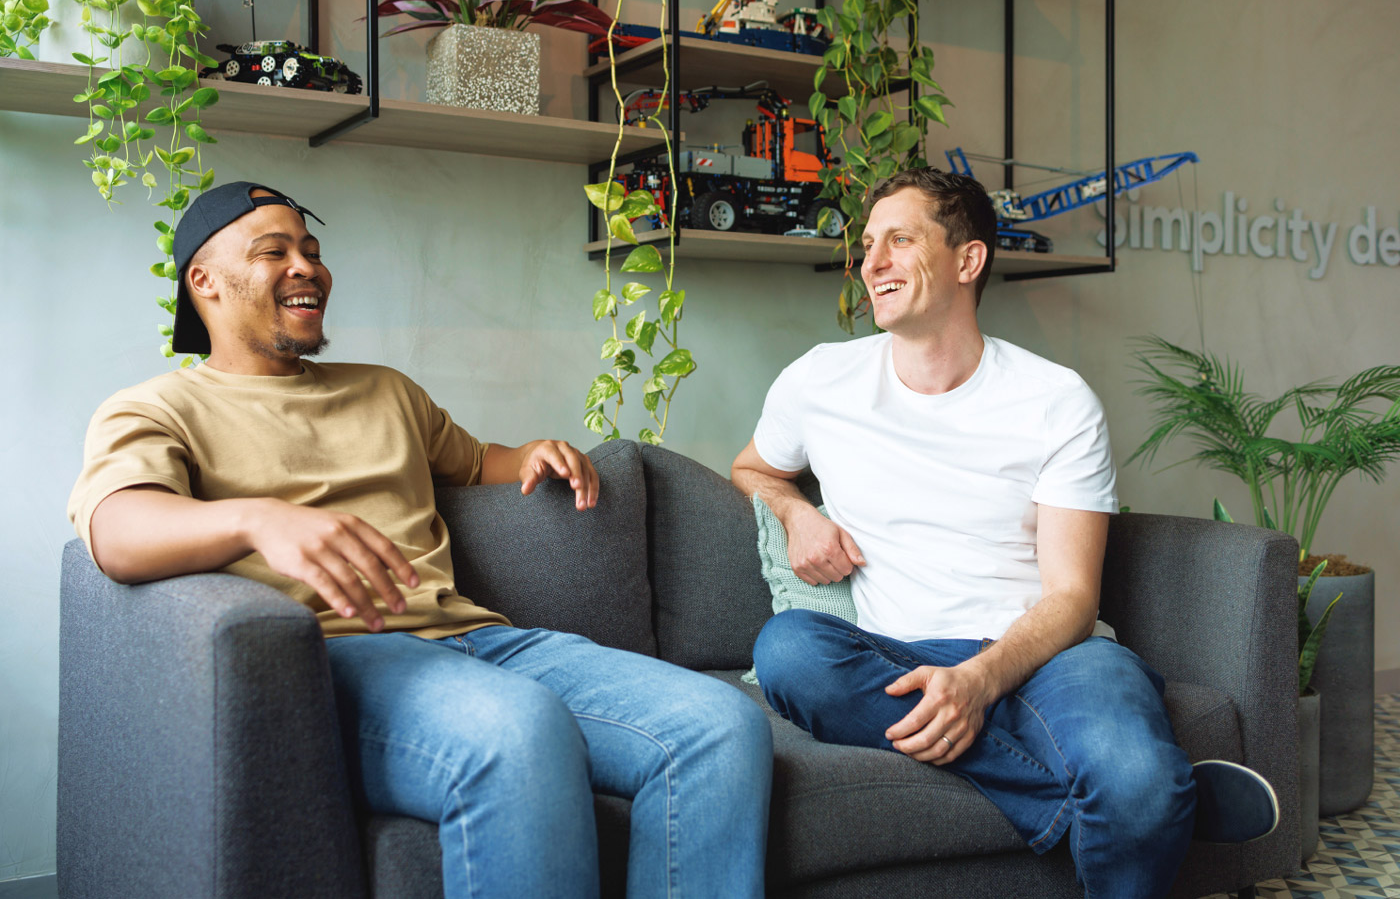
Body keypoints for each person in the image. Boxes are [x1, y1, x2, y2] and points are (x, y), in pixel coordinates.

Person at [68, 181, 772, 899]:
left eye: (310, 250)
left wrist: (530, 453)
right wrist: (258, 517)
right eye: (273, 251)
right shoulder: (157, 407)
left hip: (486, 643)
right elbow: (117, 529)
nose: (306, 266)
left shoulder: (385, 391)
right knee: (518, 733)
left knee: (718, 727)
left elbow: (474, 461)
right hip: (339, 659)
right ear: (204, 281)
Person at [729, 168, 1278, 899]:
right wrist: (799, 512)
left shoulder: (1055, 401)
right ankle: (1146, 811)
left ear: (968, 259)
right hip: (898, 651)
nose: (873, 262)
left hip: (1052, 653)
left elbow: (1074, 597)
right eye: (867, 244)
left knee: (1135, 773)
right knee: (789, 649)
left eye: (900, 239)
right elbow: (751, 468)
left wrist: (980, 681)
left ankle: (1145, 799)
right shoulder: (818, 382)